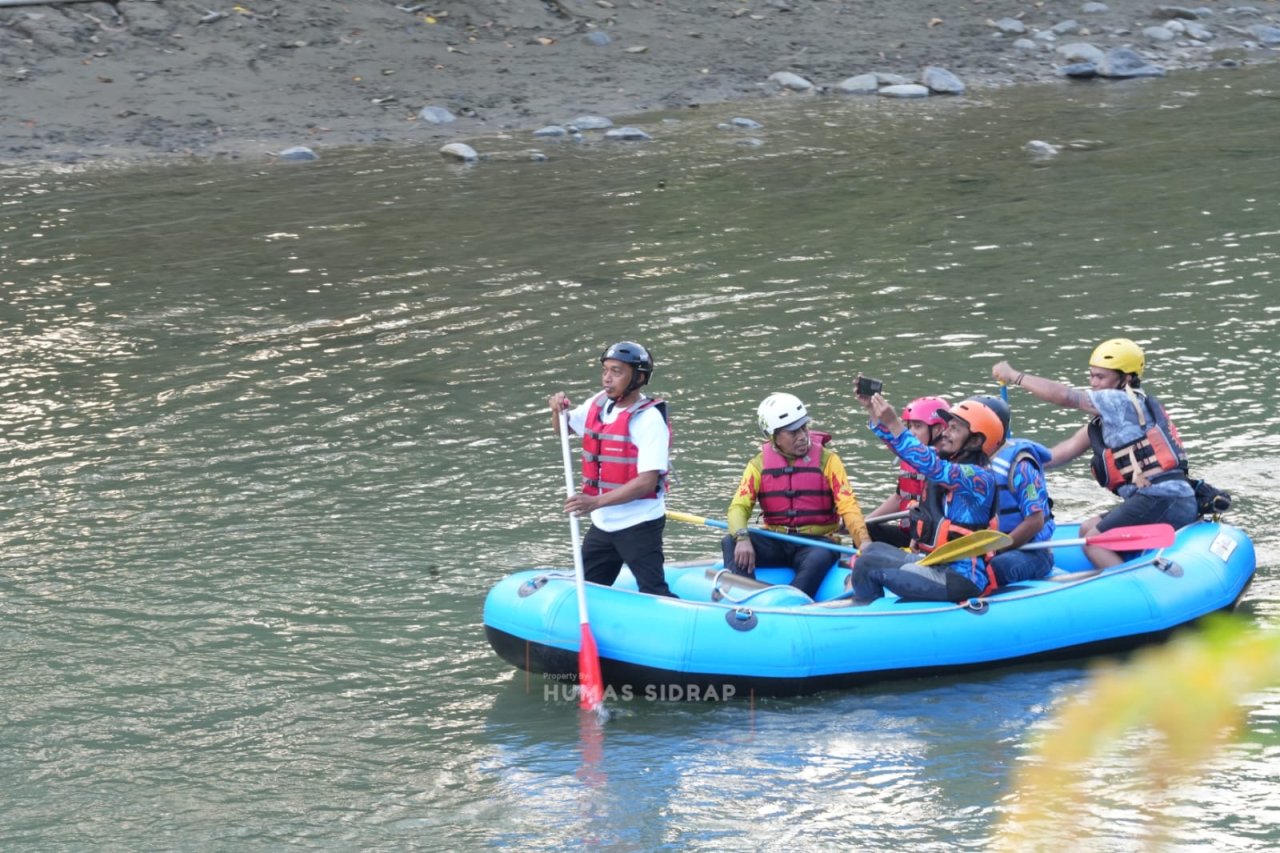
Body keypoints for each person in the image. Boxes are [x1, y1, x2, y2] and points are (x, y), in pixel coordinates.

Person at [992, 338, 1197, 569]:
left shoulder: (1121, 401)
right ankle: (1122, 568)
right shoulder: (1110, 419)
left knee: (1095, 543)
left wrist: (1015, 376)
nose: (1093, 382)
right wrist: (1017, 460)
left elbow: (1065, 396)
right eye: (1091, 375)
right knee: (1086, 529)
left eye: (1101, 377)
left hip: (1165, 498)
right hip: (1155, 499)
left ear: (1126, 379)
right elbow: (1061, 452)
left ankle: (1126, 585)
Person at [849, 382, 1003, 604]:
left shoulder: (978, 476)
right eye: (948, 426)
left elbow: (931, 465)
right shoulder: (951, 462)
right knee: (873, 550)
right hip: (937, 564)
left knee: (866, 563)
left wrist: (894, 422)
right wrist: (873, 411)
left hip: (960, 578)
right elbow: (904, 448)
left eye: (955, 429)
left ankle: (865, 615)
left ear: (976, 440)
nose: (945, 433)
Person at [549, 340, 676, 597]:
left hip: (639, 524)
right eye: (605, 370)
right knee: (586, 591)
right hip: (603, 525)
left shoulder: (649, 420)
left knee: (653, 591)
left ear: (639, 378)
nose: (607, 378)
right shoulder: (598, 404)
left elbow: (646, 482)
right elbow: (564, 429)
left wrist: (594, 502)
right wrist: (556, 410)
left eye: (616, 372)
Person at [722, 392, 872, 598]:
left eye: (804, 427)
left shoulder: (828, 461)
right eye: (793, 432)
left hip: (817, 543)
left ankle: (791, 601)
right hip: (776, 539)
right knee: (729, 542)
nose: (802, 436)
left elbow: (848, 505)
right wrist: (742, 537)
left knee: (818, 557)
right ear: (774, 436)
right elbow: (738, 507)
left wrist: (863, 541)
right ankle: (744, 596)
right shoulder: (758, 465)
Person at [969, 395, 1057, 584]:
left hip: (1030, 551)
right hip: (986, 546)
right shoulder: (968, 461)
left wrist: (997, 549)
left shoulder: (1020, 466)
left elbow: (1035, 521)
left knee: (994, 567)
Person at [866, 396, 951, 548]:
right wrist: (864, 522)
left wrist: (918, 537)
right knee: (866, 530)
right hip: (909, 533)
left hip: (931, 540)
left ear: (938, 429)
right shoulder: (910, 459)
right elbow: (900, 497)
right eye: (910, 426)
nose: (911, 432)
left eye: (918, 426)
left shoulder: (944, 465)